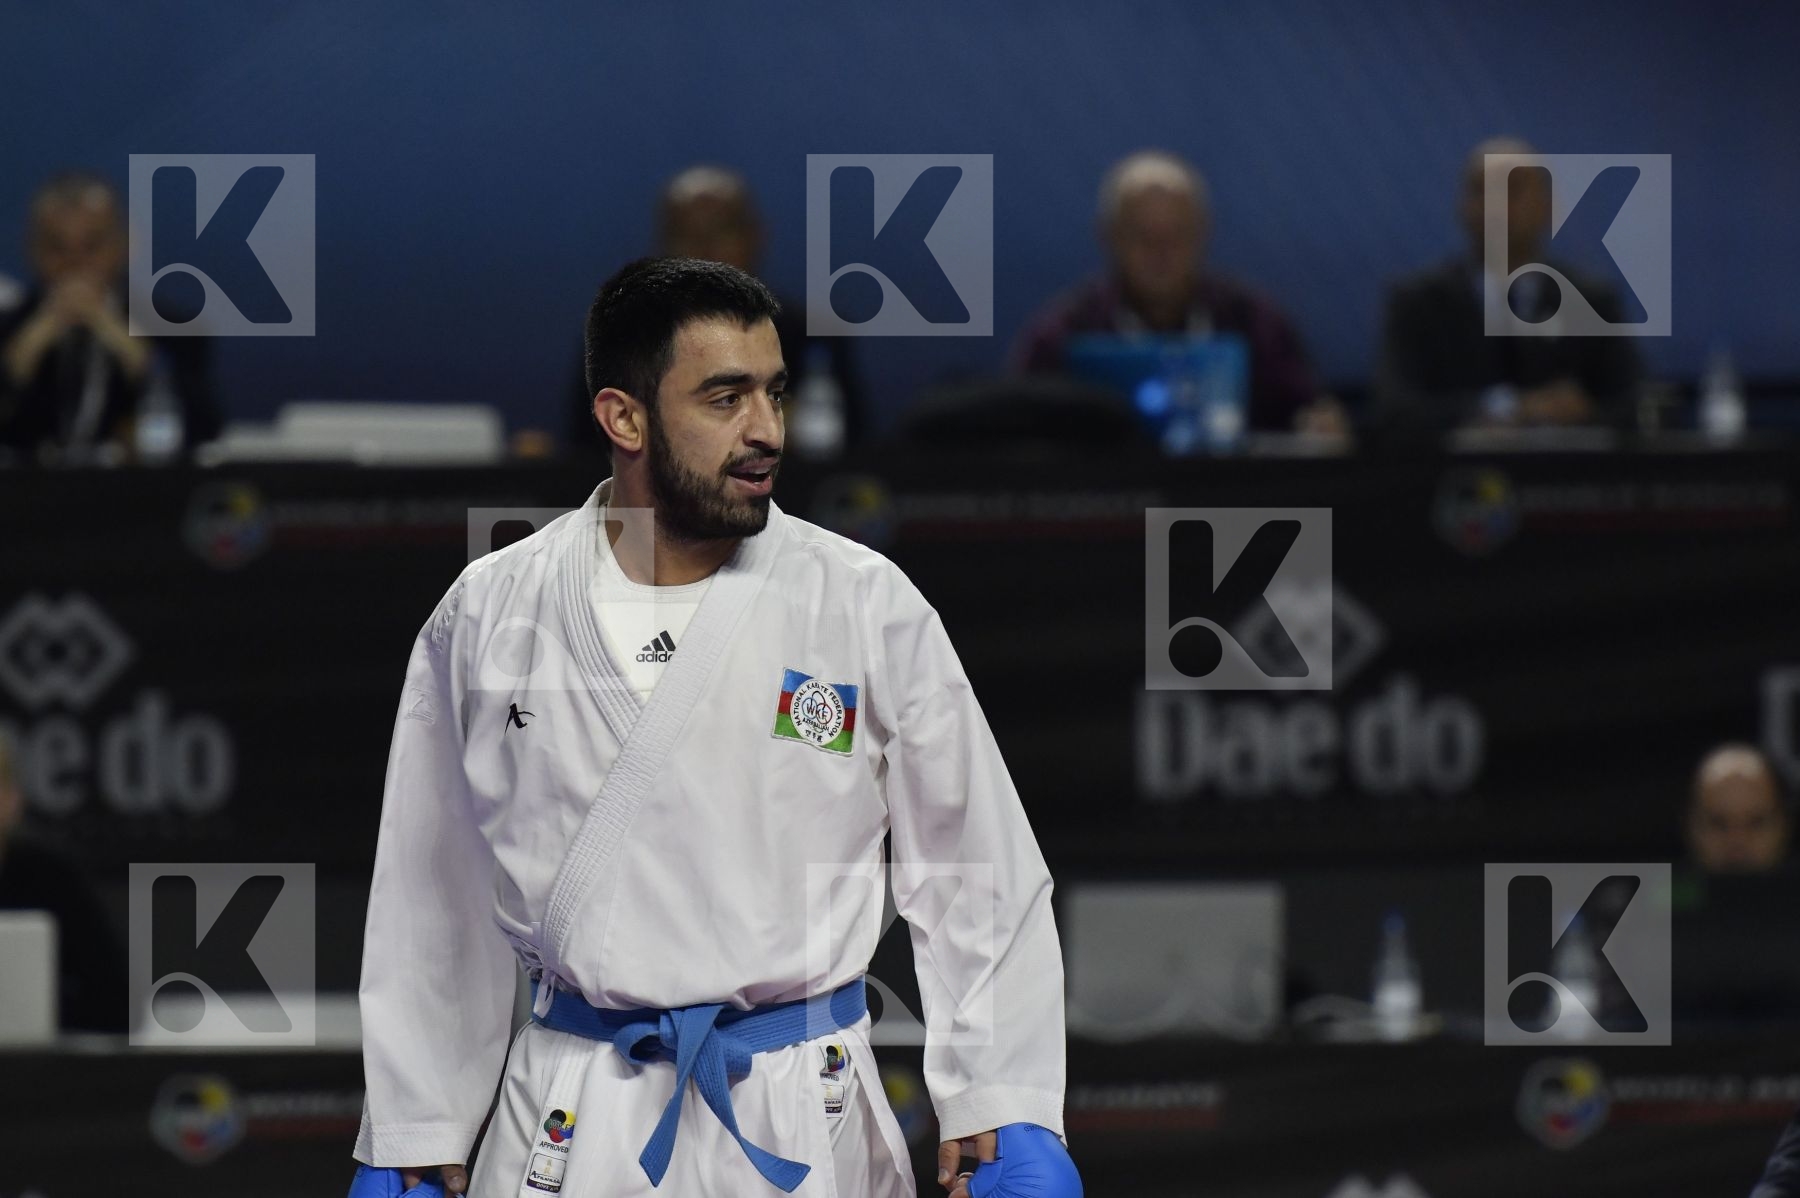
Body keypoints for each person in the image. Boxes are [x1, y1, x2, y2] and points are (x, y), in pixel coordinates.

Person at [351, 259, 1079, 1197]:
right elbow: (432, 891)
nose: (766, 430)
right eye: (725, 398)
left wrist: (1003, 1100)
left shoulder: (860, 603)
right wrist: (415, 1127)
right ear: (625, 417)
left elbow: (976, 865)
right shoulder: (493, 614)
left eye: (776, 393)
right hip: (579, 1118)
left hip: (802, 1110)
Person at [1012, 149, 1344, 435]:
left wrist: (1320, 426)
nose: (1162, 252)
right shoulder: (1064, 332)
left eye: (1178, 234)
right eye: (1143, 236)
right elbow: (1016, 426)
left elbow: (1308, 416)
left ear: (1204, 233)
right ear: (1109, 236)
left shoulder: (1254, 322)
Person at [564, 166, 863, 455]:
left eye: (722, 232)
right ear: (662, 247)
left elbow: (856, 454)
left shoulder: (815, 334)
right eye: (686, 234)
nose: (705, 249)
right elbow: (588, 457)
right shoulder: (620, 338)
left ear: (755, 237)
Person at [1375, 137, 1642, 436]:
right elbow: (1395, 412)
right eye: (1481, 190)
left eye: (1513, 190)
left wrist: (1581, 412)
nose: (1495, 206)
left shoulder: (1591, 299)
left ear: (1548, 207)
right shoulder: (1417, 301)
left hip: (1565, 478)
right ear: (1461, 207)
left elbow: (1632, 408)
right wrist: (1508, 408)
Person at [0, 171, 218, 464]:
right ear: (33, 249)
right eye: (57, 248)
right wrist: (18, 362)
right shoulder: (9, 329)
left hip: (134, 501)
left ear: (123, 244)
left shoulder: (174, 330)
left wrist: (139, 358)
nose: (75, 262)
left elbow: (205, 430)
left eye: (92, 246)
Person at [0, 730, 129, 1033]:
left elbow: (113, 997)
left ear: (13, 799)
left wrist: (43, 1024)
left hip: (39, 1070)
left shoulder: (52, 878)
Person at [1686, 744, 1791, 874]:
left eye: (1756, 823)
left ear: (1784, 826)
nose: (1737, 842)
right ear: (1691, 827)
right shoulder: (1657, 890)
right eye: (1719, 824)